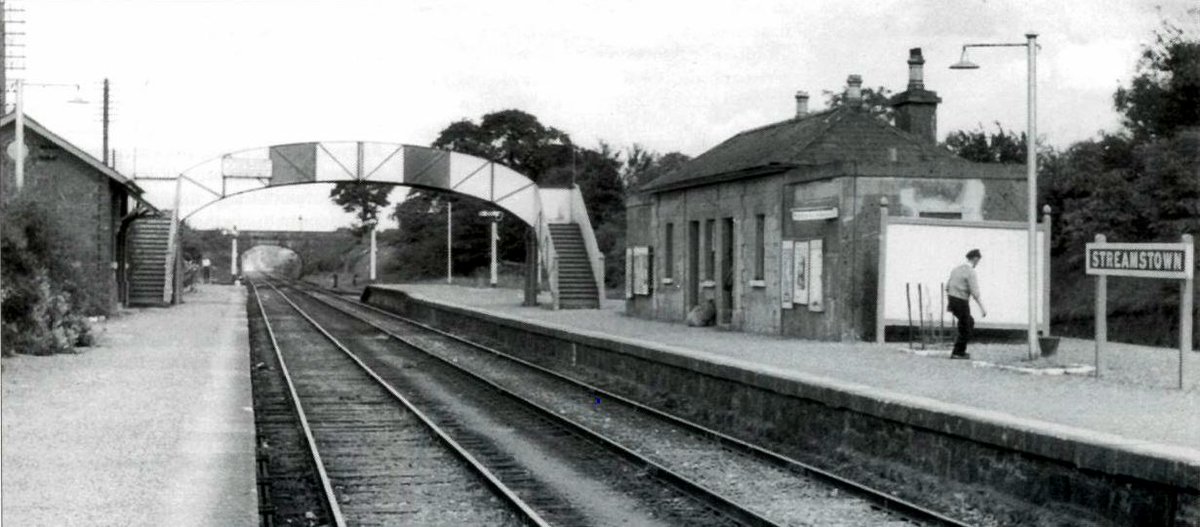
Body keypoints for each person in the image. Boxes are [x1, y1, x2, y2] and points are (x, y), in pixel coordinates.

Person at [945, 249, 987, 359]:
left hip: (952, 300)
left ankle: (959, 351)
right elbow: (975, 293)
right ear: (975, 259)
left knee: (966, 323)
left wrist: (951, 299)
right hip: (961, 301)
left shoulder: (956, 269)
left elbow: (947, 287)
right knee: (967, 325)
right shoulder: (970, 272)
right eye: (978, 261)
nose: (978, 263)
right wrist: (982, 309)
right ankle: (957, 353)